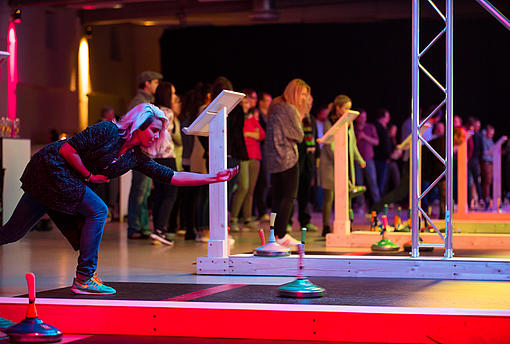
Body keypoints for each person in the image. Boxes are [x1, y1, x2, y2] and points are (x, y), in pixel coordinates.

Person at [0, 103, 238, 295]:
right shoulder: (108, 130)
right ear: (139, 124)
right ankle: (84, 278)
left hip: (61, 181)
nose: (157, 136)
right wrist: (88, 175)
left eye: (160, 132)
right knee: (99, 210)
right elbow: (66, 150)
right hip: (51, 167)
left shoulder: (134, 157)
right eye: (154, 129)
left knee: (13, 232)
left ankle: (84, 277)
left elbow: (172, 176)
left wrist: (213, 178)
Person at [265, 79, 308, 247]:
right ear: (295, 92)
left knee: (277, 198)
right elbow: (299, 135)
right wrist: (300, 118)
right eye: (303, 94)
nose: (304, 98)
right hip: (288, 157)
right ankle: (281, 234)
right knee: (288, 197)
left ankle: (274, 234)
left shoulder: (274, 106)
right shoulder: (289, 109)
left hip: (273, 156)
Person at [318, 95, 364, 236]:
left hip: (345, 164)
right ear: (338, 108)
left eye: (349, 108)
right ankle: (326, 226)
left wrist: (359, 159)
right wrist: (339, 159)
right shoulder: (329, 122)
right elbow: (328, 145)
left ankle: (348, 223)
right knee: (329, 197)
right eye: (346, 108)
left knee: (346, 195)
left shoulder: (348, 123)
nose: (347, 111)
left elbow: (352, 144)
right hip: (331, 165)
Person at [127, 71, 163, 239]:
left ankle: (141, 227)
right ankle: (135, 227)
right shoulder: (139, 102)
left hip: (145, 151)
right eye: (155, 82)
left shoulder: (147, 101)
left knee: (145, 190)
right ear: (147, 83)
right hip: (139, 151)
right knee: (139, 189)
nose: (157, 86)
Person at [150, 82, 179, 245]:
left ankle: (157, 229)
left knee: (160, 195)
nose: (175, 96)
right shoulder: (167, 112)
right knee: (170, 194)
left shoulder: (151, 111)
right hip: (167, 156)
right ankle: (160, 229)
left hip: (154, 158)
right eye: (173, 93)